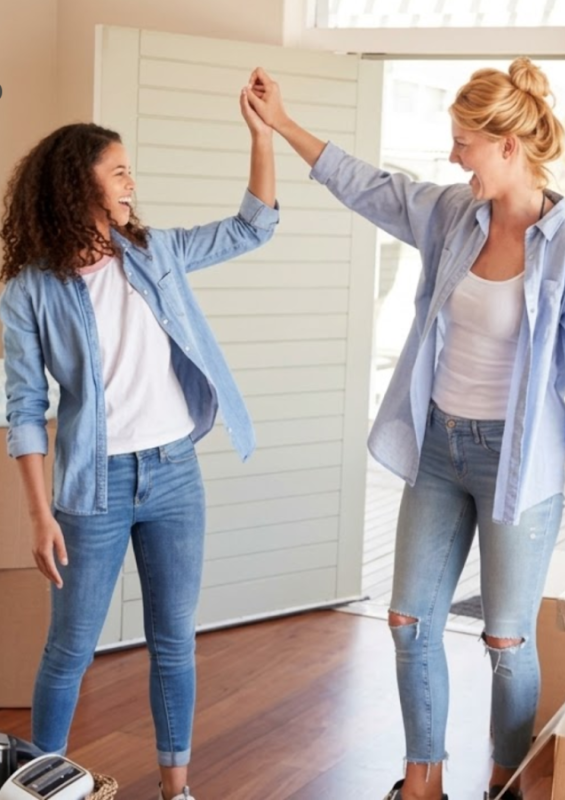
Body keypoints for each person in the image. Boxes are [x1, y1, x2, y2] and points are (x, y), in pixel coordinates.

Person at [245, 58, 565, 800]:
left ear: (508, 147)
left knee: (506, 640)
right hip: (441, 447)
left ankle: (506, 780)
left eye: (464, 143)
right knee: (409, 619)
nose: (453, 157)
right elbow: (368, 186)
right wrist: (280, 122)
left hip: (520, 464)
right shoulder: (453, 215)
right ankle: (422, 783)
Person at [0, 72, 278, 800]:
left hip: (175, 473)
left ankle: (175, 788)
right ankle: (37, 787)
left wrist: (260, 134)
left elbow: (254, 225)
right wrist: (38, 515)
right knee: (69, 650)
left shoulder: (156, 254)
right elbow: (25, 407)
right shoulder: (29, 288)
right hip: (91, 485)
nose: (131, 182)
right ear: (76, 184)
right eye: (119, 170)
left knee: (173, 642)